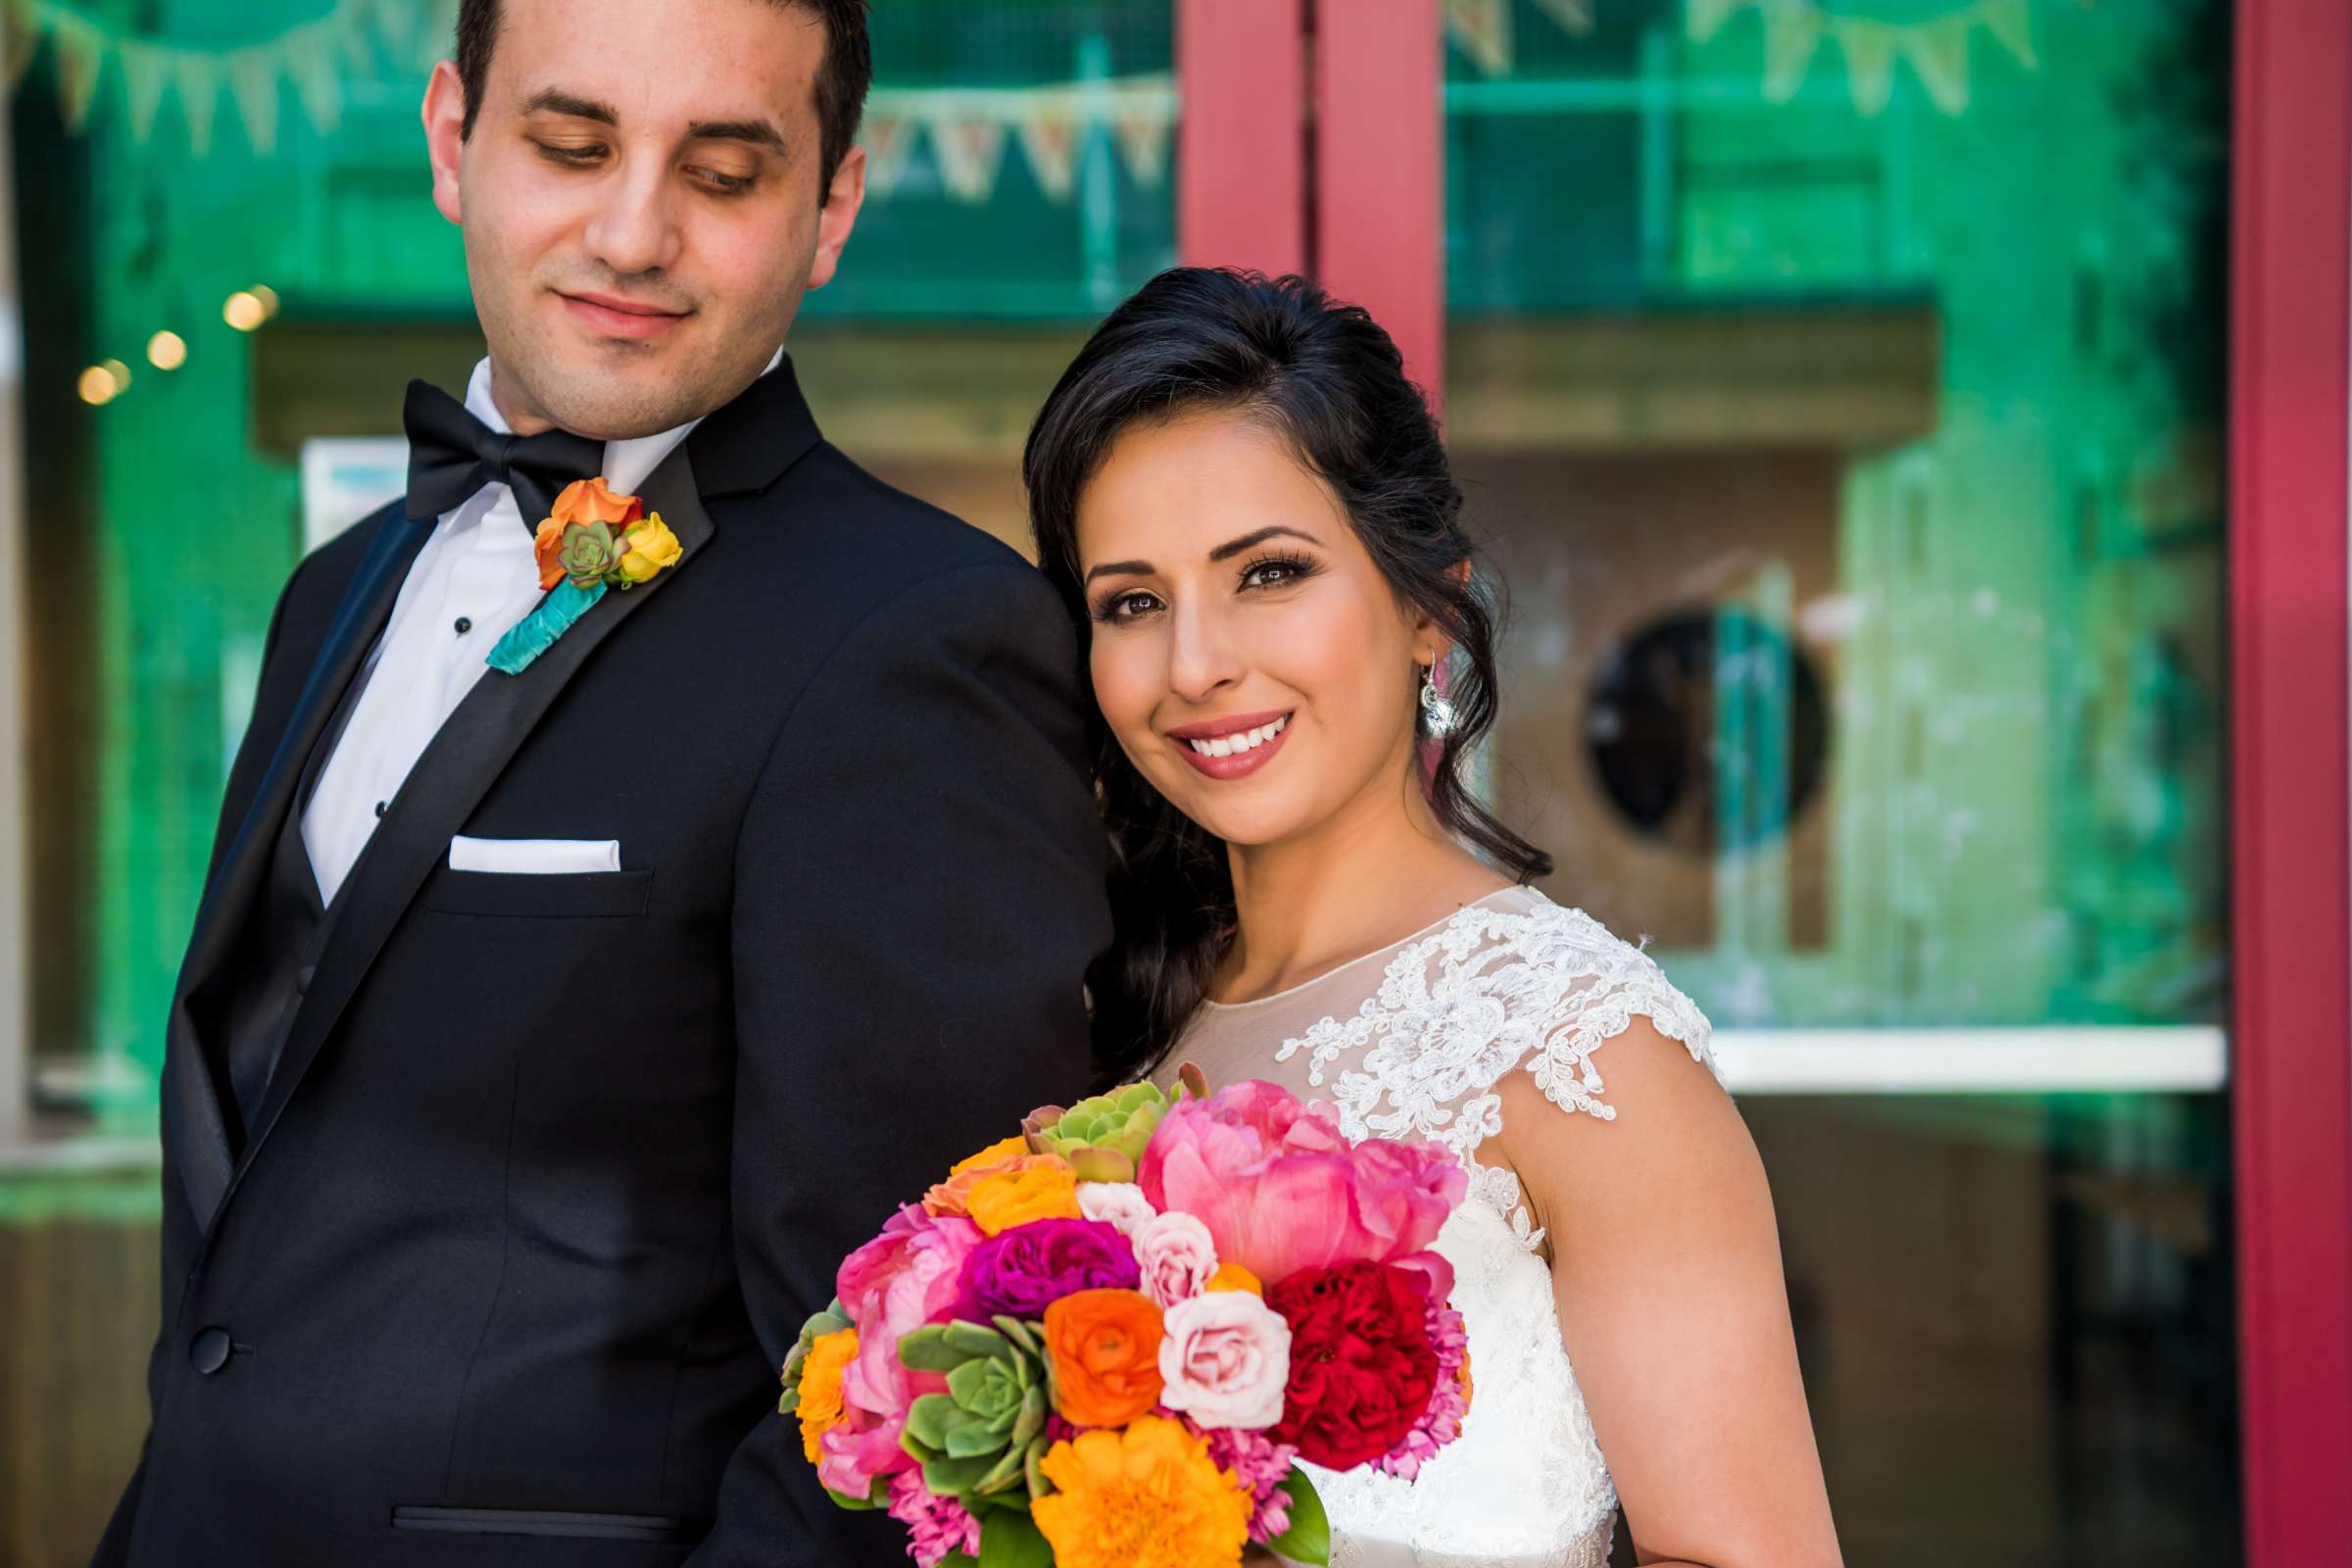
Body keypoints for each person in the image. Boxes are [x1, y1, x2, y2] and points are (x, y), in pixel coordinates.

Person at [94, 1, 1109, 1562]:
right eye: (572, 146)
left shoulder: (921, 645)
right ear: (451, 139)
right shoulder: (333, 593)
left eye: (722, 173)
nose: (632, 233)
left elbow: (907, 1385)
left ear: (832, 206)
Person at [1024, 268, 1843, 1567]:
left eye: (1269, 573)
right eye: (1133, 601)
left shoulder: (1584, 1058)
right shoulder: (1109, 1028)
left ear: (1423, 607)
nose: (1192, 665)